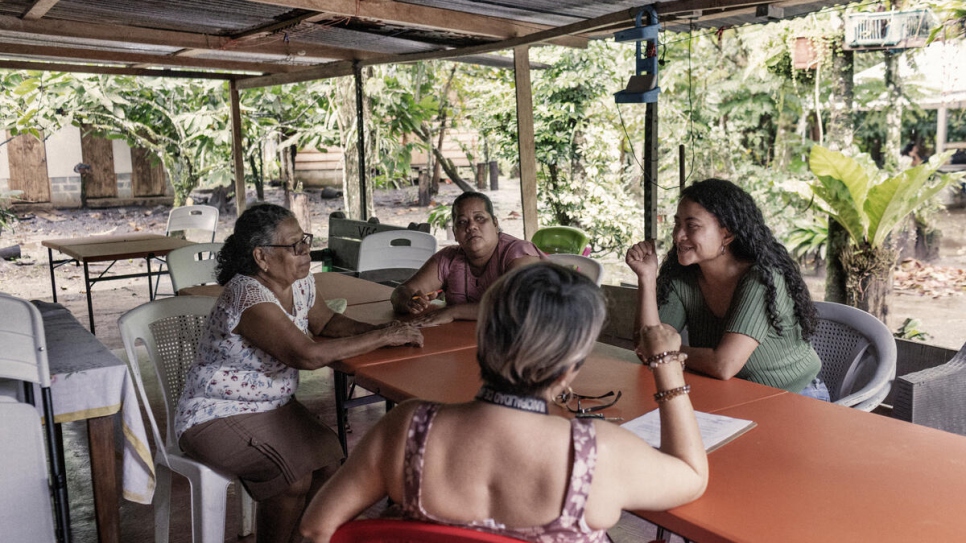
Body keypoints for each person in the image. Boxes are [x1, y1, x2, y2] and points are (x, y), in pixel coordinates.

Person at [300, 263, 708, 543]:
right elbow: (691, 475)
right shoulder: (595, 454)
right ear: (569, 369)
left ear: (482, 340)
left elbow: (314, 530)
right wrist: (666, 364)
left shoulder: (408, 429)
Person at [174, 203, 423, 543]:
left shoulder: (301, 283)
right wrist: (380, 337)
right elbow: (306, 355)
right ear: (262, 257)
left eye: (305, 240)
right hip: (215, 411)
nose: (306, 251)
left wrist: (384, 331)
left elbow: (326, 322)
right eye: (294, 246)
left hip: (273, 404)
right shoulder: (247, 295)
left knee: (330, 466)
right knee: (292, 478)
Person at [625, 178, 828, 400]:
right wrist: (646, 278)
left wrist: (666, 353)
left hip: (797, 397)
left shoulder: (762, 279)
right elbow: (647, 346)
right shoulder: (684, 277)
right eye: (677, 224)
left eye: (692, 226)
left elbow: (723, 365)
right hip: (732, 394)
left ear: (727, 234)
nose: (678, 235)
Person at [389, 191, 545, 326]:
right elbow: (401, 292)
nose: (471, 226)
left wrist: (454, 312)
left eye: (480, 218)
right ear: (455, 233)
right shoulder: (448, 258)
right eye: (462, 222)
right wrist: (409, 302)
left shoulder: (519, 253)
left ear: (495, 224)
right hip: (469, 343)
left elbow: (521, 305)